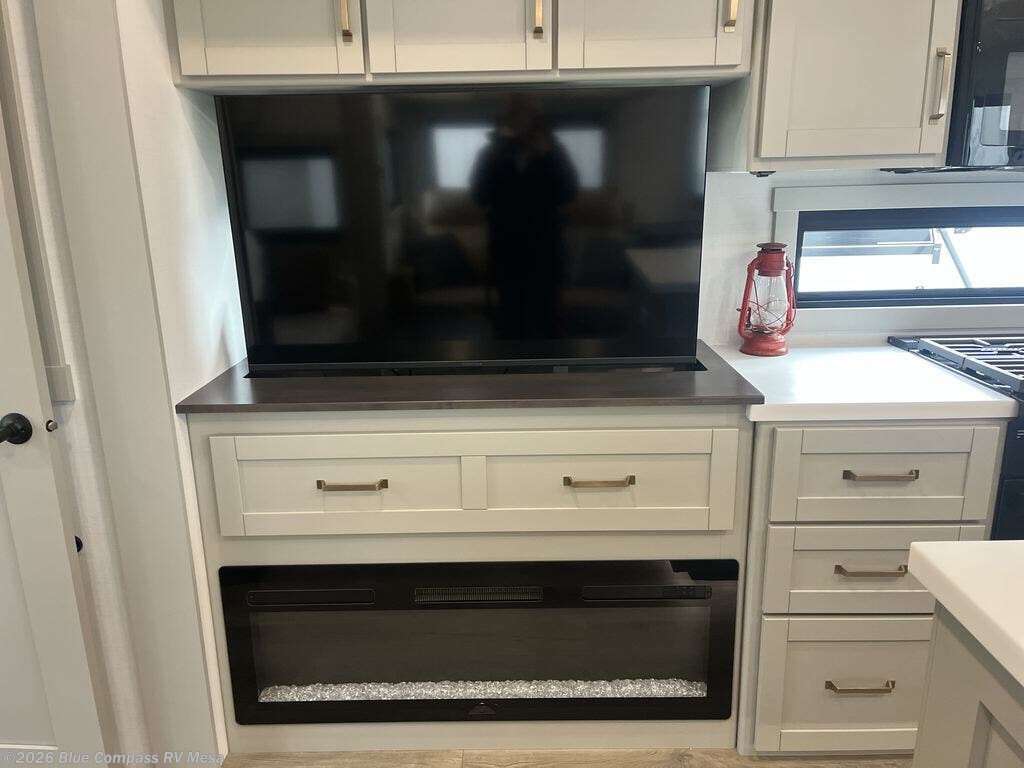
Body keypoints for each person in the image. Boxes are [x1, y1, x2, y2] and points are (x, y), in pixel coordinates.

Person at [470, 96, 579, 339]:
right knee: (510, 320)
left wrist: (547, 154)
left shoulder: (554, 151)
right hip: (506, 248)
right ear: (506, 120)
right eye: (514, 116)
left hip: (546, 248)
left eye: (526, 115)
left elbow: (569, 192)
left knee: (547, 320)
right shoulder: (491, 153)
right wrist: (497, 152)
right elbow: (478, 196)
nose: (520, 122)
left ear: (536, 120)